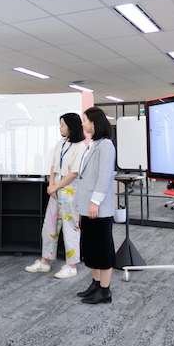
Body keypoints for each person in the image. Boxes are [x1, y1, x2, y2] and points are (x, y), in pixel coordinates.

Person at [25, 113, 86, 278]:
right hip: (56, 190)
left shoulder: (80, 147)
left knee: (70, 228)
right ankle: (45, 261)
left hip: (70, 191)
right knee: (49, 226)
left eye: (62, 125)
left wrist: (55, 187)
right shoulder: (61, 143)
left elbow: (74, 173)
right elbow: (53, 165)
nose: (60, 128)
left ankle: (71, 266)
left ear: (71, 127)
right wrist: (52, 185)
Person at [74, 107, 116, 304]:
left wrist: (94, 202)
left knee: (102, 248)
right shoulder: (93, 144)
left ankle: (105, 290)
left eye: (85, 120)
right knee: (90, 248)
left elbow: (104, 176)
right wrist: (79, 205)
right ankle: (96, 284)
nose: (82, 123)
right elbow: (84, 178)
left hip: (98, 207)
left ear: (94, 122)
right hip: (87, 205)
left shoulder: (106, 145)